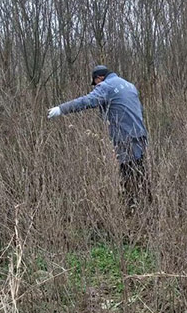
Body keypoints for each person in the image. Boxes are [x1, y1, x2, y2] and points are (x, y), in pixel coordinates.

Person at [48, 65, 150, 209]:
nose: (95, 86)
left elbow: (87, 101)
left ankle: (132, 207)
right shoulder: (129, 85)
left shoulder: (106, 86)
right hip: (140, 134)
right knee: (140, 171)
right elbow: (139, 109)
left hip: (123, 136)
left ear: (99, 78)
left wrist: (62, 109)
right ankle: (147, 204)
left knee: (127, 172)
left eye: (95, 83)